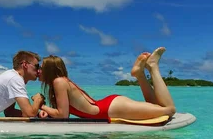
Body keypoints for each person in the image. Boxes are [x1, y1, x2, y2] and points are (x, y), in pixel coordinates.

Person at [37, 47, 176, 120]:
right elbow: (63, 113)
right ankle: (139, 75)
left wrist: (40, 105)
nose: (38, 71)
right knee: (157, 107)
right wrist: (46, 111)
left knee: (169, 110)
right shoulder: (60, 82)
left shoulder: (59, 81)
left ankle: (153, 67)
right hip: (109, 106)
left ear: (49, 70)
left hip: (112, 109)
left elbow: (62, 115)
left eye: (41, 68)